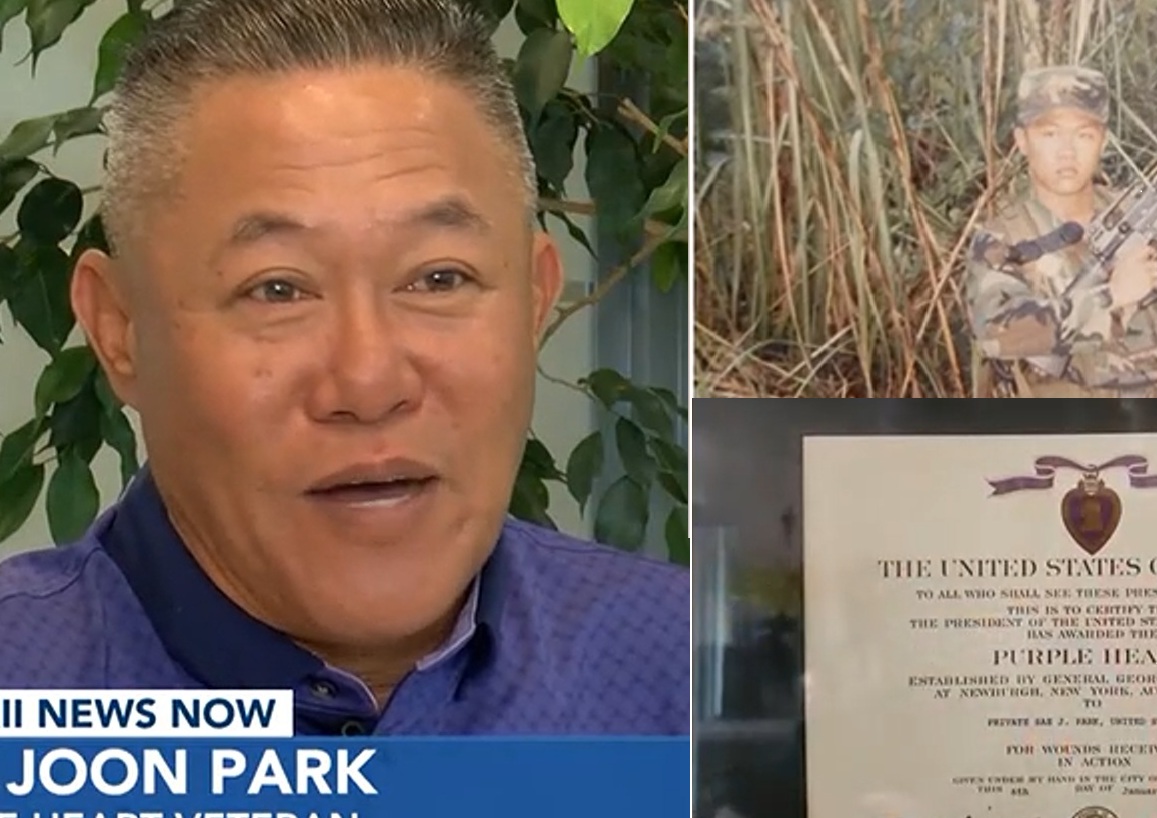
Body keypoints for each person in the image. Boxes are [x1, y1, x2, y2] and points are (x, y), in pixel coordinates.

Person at [0, 0, 689, 736]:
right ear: (118, 330)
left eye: (438, 279)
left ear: (534, 303)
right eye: (277, 289)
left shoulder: (685, 676)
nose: (369, 383)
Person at [965, 65, 1157, 398]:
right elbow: (997, 335)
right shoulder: (1000, 238)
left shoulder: (1138, 211)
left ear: (1103, 141)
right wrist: (1111, 296)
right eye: (1050, 134)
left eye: (1084, 134)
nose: (1067, 151)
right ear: (1022, 141)